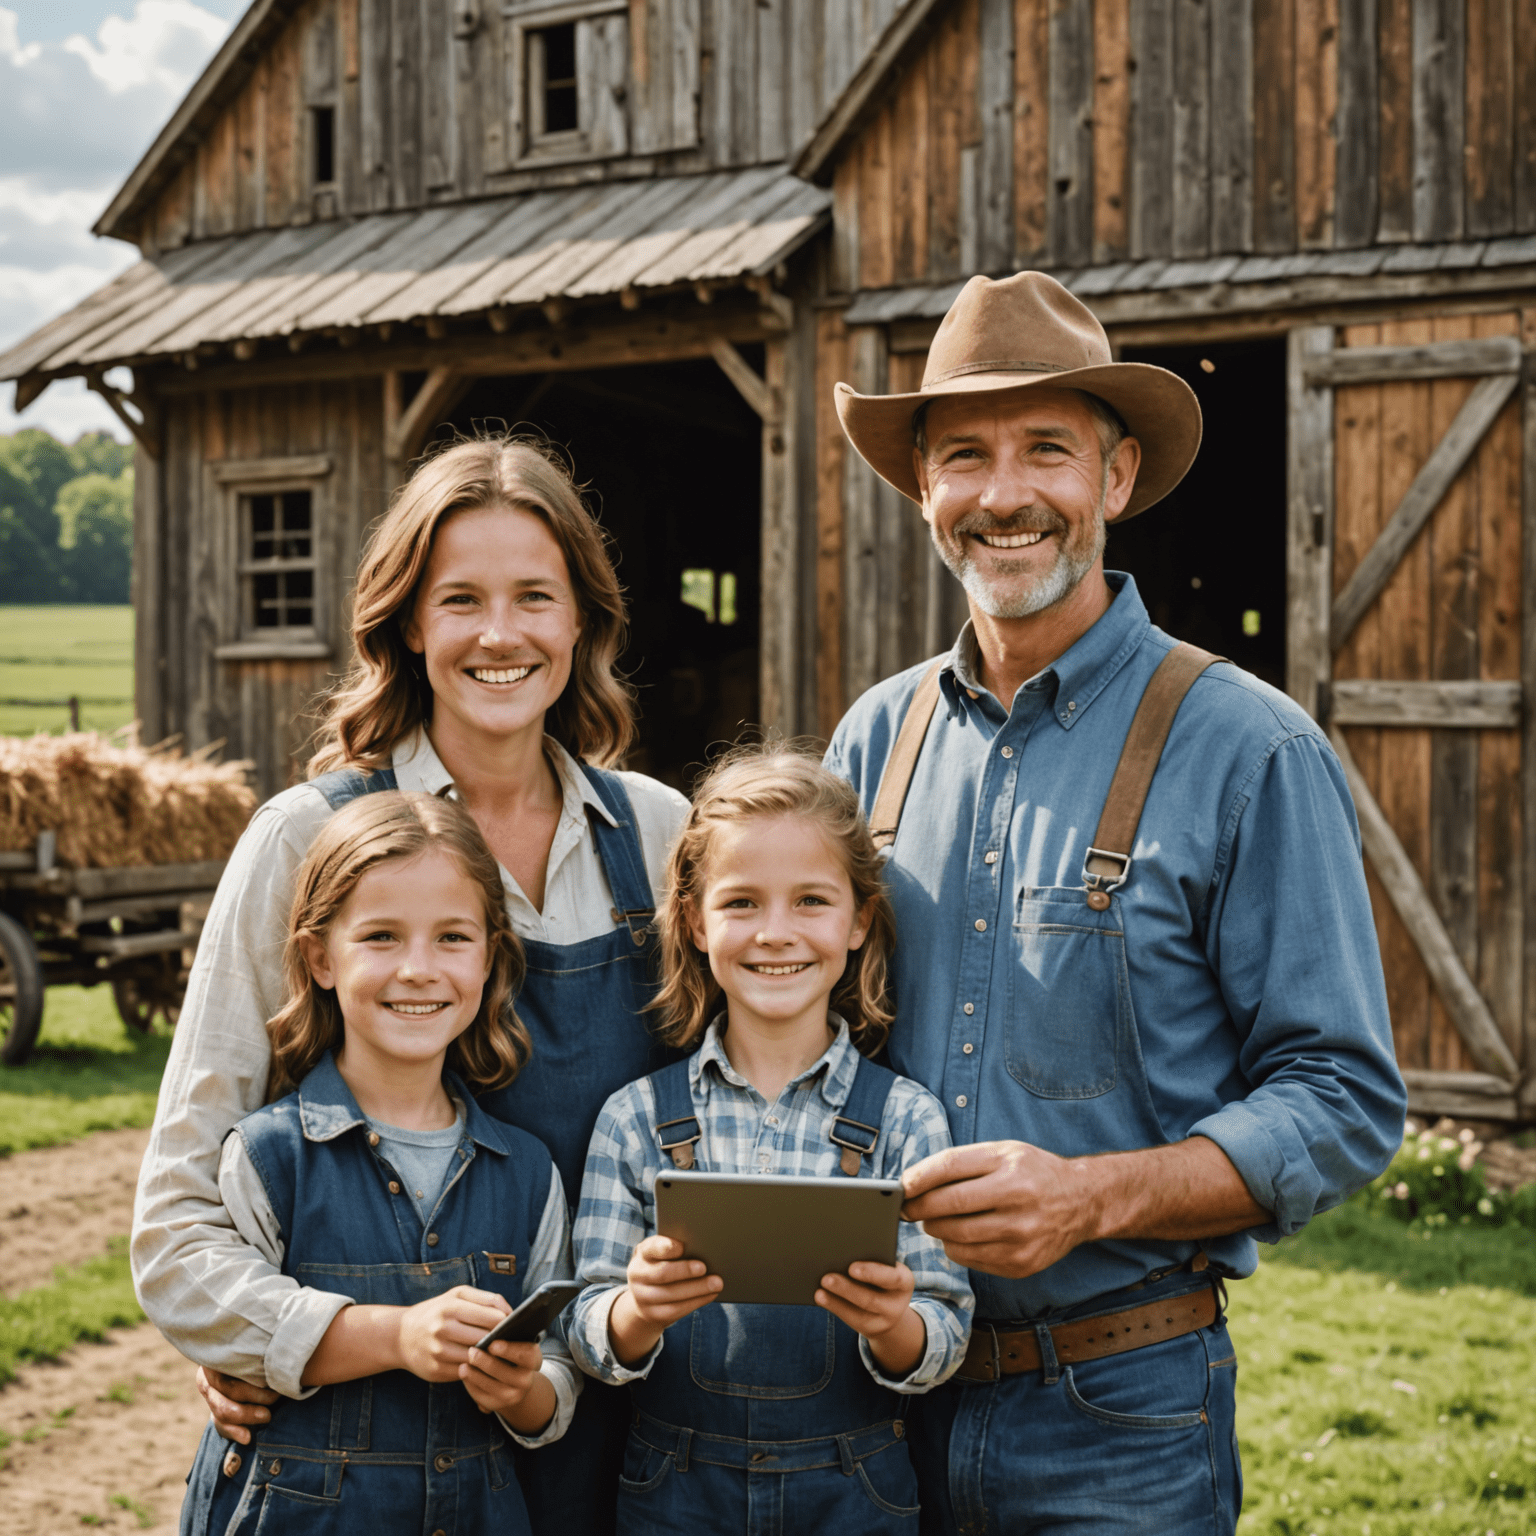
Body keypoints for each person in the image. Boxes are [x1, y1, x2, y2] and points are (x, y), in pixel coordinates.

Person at [824, 271, 1406, 1533]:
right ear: (924, 489)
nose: (1005, 494)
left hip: (1119, 1412)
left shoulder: (1249, 747)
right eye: (964, 456)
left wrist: (1092, 1197)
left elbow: (1344, 1097)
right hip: (867, 1397)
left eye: (1049, 450)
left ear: (1118, 480)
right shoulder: (876, 742)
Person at [133, 435, 689, 1535]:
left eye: (536, 595)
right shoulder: (305, 839)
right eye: (460, 600)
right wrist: (294, 1340)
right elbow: (178, 1221)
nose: (500, 634)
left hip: (612, 1429)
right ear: (407, 624)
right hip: (349, 1462)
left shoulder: (660, 836)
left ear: (582, 622)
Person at [565, 745, 973, 1533]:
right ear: (695, 919)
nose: (775, 933)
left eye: (811, 902)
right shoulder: (636, 1120)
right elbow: (584, 1325)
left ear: (859, 920)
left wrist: (894, 1324)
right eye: (742, 902)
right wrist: (635, 1312)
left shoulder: (908, 1120)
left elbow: (945, 1330)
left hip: (854, 1491)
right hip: (674, 1491)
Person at [180, 791, 575, 1536]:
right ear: (320, 958)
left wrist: (522, 1391)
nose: (419, 969)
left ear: (491, 955)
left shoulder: (529, 1174)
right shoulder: (267, 1158)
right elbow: (227, 1327)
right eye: (383, 937)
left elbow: (556, 1378)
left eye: (453, 938)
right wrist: (395, 1336)